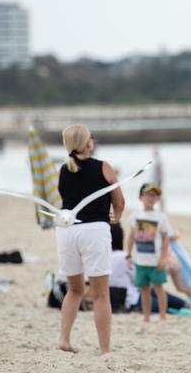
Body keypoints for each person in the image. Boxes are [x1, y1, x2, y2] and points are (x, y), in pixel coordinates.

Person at [56, 124, 125, 354]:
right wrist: (117, 216)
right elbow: (120, 201)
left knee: (74, 290)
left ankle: (64, 339)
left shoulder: (64, 169)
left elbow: (67, 199)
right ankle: (104, 349)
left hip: (67, 231)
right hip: (93, 230)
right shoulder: (103, 166)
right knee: (100, 294)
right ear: (88, 143)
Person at [126, 182, 170, 322]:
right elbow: (131, 236)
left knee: (159, 288)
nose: (152, 197)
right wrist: (128, 254)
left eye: (155, 195)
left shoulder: (161, 217)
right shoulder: (135, 215)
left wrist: (163, 258)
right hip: (140, 260)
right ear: (141, 197)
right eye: (148, 194)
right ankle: (146, 317)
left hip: (155, 260)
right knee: (144, 290)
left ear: (158, 199)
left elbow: (165, 239)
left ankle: (163, 315)